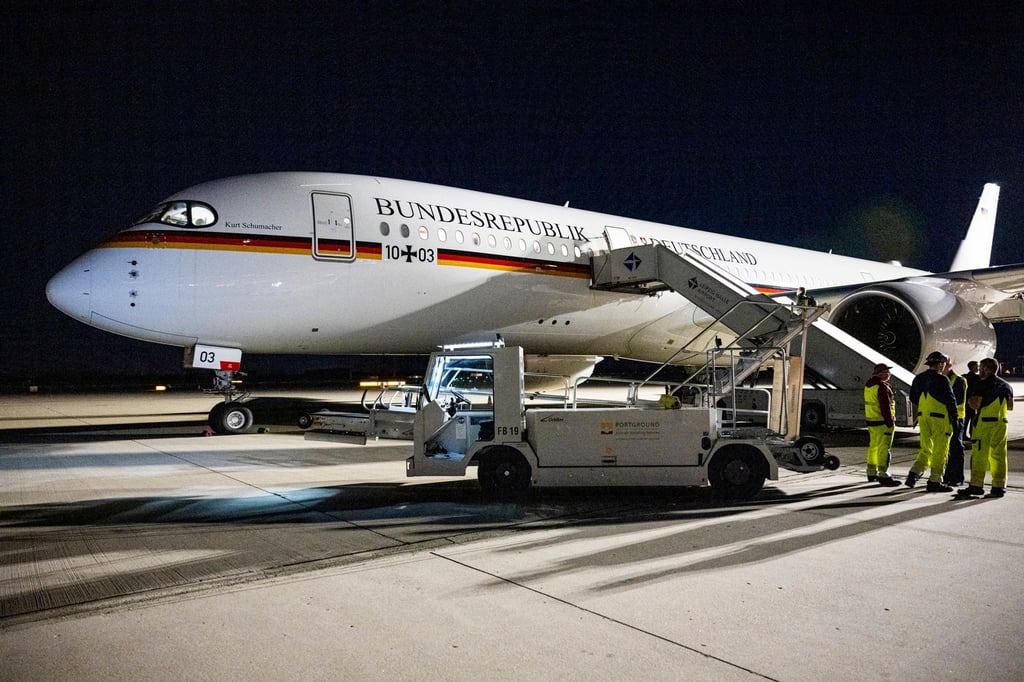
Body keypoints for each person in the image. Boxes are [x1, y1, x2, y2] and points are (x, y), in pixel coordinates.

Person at [957, 357, 1014, 498]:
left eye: (981, 368)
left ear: (986, 369)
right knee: (999, 456)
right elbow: (1010, 406)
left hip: (984, 424)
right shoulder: (1007, 386)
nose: (979, 371)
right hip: (1002, 424)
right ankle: (999, 486)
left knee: (980, 455)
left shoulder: (981, 385)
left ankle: (976, 485)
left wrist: (970, 401)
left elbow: (975, 404)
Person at [906, 351, 957, 492]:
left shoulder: (919, 378)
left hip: (923, 417)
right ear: (940, 364)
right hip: (940, 418)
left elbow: (913, 397)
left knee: (926, 448)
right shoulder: (942, 379)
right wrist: (955, 419)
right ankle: (935, 481)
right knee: (940, 451)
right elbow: (950, 400)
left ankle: (914, 474)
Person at [864, 363, 900, 486]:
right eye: (887, 372)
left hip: (872, 421)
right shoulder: (881, 387)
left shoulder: (869, 385)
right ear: (881, 374)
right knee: (884, 448)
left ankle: (871, 472)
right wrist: (890, 422)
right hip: (883, 422)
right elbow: (885, 406)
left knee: (873, 447)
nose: (889, 374)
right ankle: (884, 473)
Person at [941, 359, 967, 486]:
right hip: (945, 419)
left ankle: (957, 477)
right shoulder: (941, 379)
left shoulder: (959, 380)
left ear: (949, 366)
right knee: (947, 448)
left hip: (957, 419)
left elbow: (958, 400)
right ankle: (947, 476)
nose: (941, 367)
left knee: (956, 447)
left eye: (943, 365)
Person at [962, 360, 980, 440]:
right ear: (973, 367)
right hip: (973, 401)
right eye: (977, 366)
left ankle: (963, 435)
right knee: (973, 419)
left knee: (965, 420)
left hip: (965, 401)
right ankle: (972, 434)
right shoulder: (977, 378)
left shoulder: (964, 377)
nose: (978, 368)